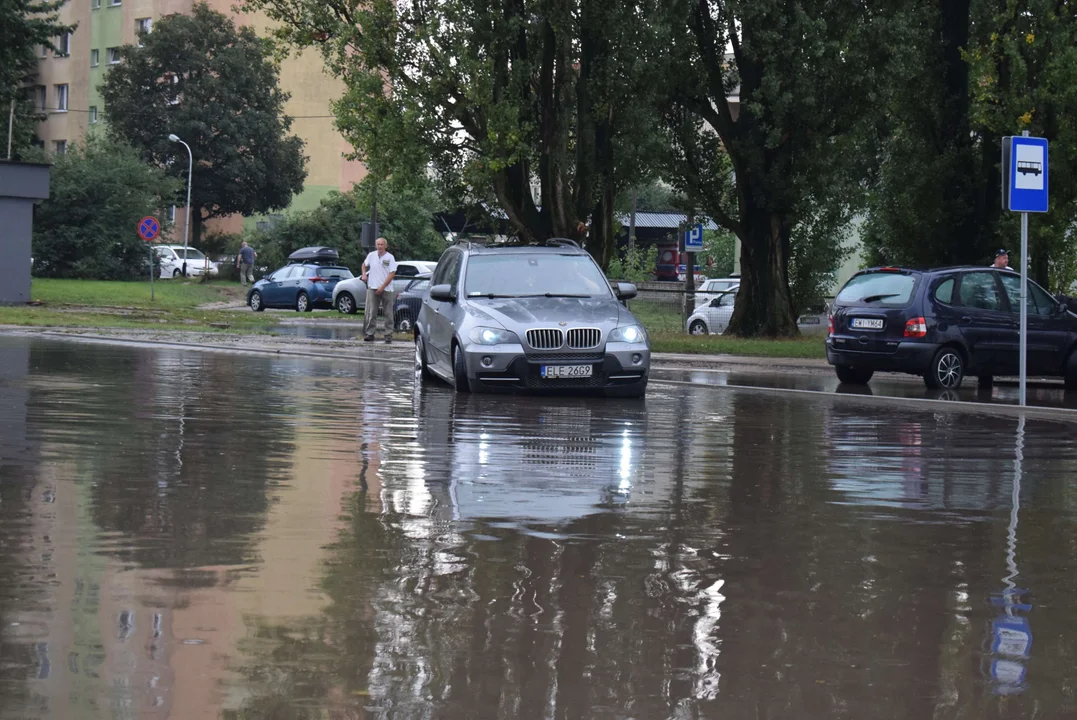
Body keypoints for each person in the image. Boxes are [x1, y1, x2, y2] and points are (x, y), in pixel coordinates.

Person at [361, 237, 398, 343]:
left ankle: (388, 334)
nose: (380, 247)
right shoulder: (371, 255)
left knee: (388, 312)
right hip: (372, 287)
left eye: (382, 245)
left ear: (385, 246)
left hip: (386, 289)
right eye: (378, 244)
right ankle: (370, 333)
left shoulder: (390, 257)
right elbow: (364, 264)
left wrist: (382, 287)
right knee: (372, 311)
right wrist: (364, 273)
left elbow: (392, 273)